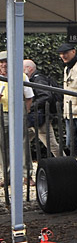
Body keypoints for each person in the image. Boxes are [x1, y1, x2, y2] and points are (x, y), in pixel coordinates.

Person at [0, 50, 34, 184]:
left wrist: (25, 111)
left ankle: (27, 175)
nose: (4, 65)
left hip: (19, 113)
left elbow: (29, 97)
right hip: (2, 114)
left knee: (23, 144)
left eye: (6, 62)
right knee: (2, 145)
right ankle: (6, 176)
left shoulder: (21, 76)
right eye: (1, 62)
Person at [24, 59, 61, 160]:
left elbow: (46, 96)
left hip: (39, 118)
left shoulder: (38, 80)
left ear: (29, 68)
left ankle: (66, 164)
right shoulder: (34, 79)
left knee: (51, 145)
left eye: (22, 68)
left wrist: (30, 106)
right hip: (34, 118)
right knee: (21, 141)